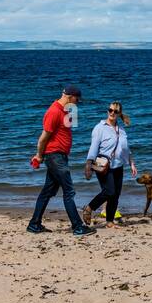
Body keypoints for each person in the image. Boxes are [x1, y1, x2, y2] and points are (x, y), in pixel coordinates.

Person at [28, 86, 96, 236]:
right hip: (54, 157)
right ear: (70, 96)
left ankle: (34, 224)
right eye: (77, 100)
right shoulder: (53, 112)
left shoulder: (64, 110)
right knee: (69, 191)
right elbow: (43, 138)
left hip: (59, 157)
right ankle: (77, 227)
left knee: (47, 192)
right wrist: (39, 156)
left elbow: (64, 130)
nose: (77, 103)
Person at [83, 101, 139, 227]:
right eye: (110, 110)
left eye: (116, 111)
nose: (112, 113)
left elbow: (126, 149)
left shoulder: (121, 130)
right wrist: (88, 163)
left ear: (119, 114)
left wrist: (132, 163)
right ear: (107, 111)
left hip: (118, 165)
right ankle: (89, 208)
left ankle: (109, 221)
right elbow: (94, 147)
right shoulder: (99, 128)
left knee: (115, 195)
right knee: (109, 191)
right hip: (101, 165)